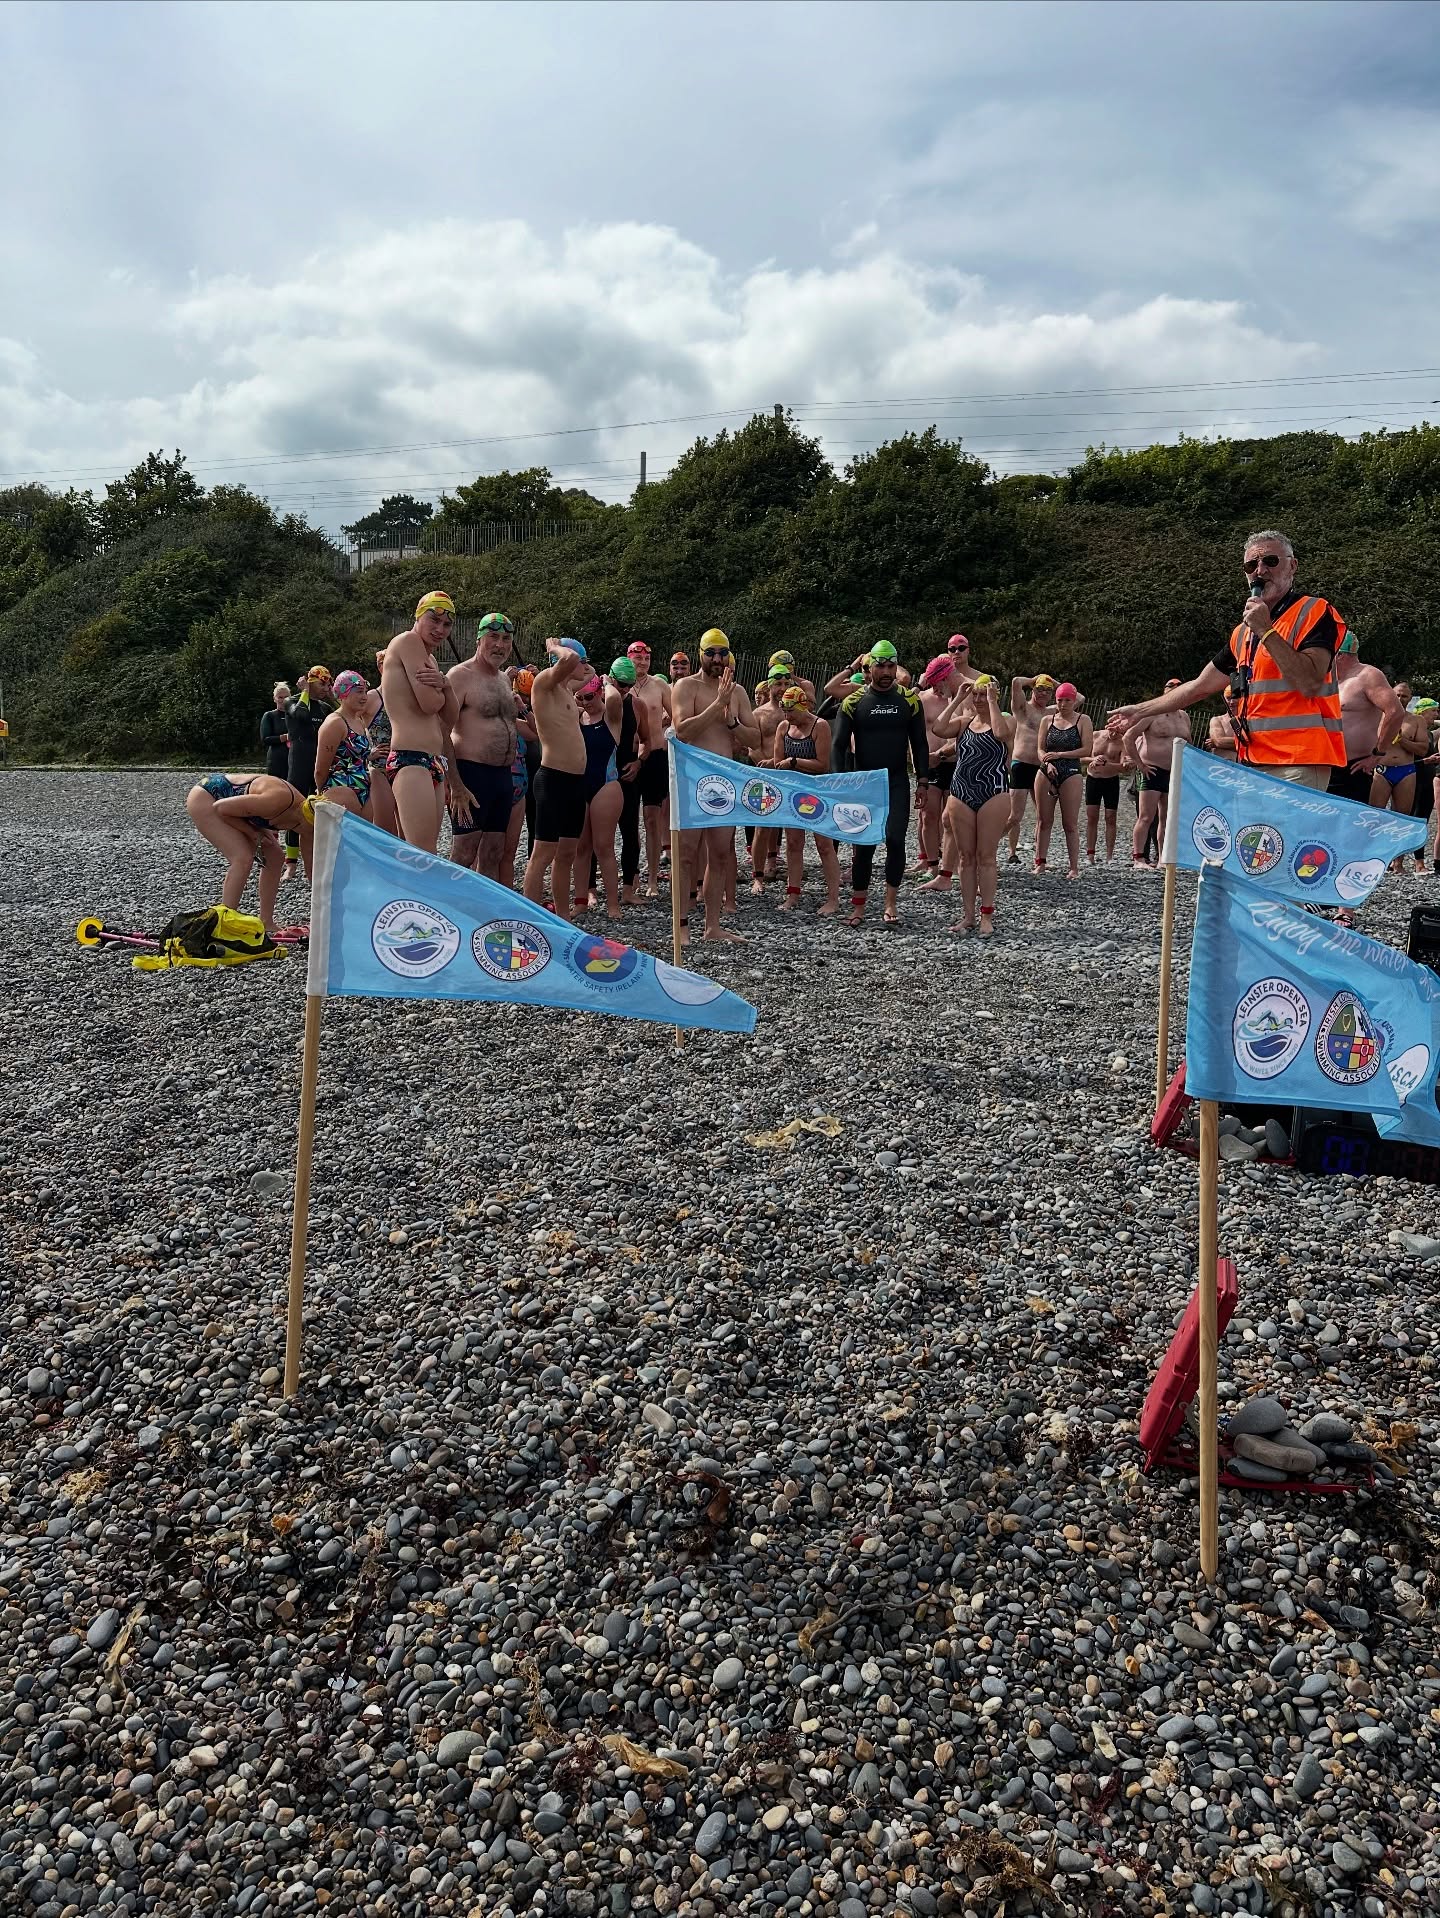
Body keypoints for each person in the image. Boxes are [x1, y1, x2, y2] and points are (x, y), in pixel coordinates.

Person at [1107, 530, 1348, 790]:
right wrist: (1140, 710)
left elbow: (1310, 682)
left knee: (1285, 833)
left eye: (1270, 561)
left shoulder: (1314, 611)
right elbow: (1199, 686)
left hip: (1299, 760)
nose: (1260, 570)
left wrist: (1266, 631)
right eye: (1251, 565)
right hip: (1253, 760)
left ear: (1292, 565)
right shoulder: (1243, 633)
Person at [832, 639, 929, 927]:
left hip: (897, 781)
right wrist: (840, 783)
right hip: (865, 785)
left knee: (896, 840)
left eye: (891, 665)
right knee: (864, 845)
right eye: (881, 666)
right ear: (870, 668)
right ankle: (859, 907)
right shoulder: (853, 702)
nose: (887, 671)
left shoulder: (909, 701)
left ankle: (890, 904)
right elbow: (838, 747)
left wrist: (922, 780)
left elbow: (920, 743)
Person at [672, 630, 761, 943]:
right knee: (686, 854)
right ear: (700, 654)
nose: (717, 659)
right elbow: (682, 730)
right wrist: (716, 707)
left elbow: (755, 740)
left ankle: (712, 927)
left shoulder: (737, 692)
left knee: (721, 854)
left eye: (723, 653)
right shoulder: (686, 686)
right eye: (711, 653)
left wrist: (733, 721)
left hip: (724, 783)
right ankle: (681, 926)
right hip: (692, 779)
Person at [380, 591, 468, 852]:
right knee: (422, 855)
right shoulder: (407, 642)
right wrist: (441, 690)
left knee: (427, 853)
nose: (440, 629)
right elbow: (430, 704)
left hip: (432, 761)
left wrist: (446, 685)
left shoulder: (428, 658)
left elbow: (450, 720)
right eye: (434, 619)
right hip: (410, 759)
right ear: (418, 616)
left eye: (447, 624)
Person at [929, 674, 1014, 935]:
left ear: (995, 695)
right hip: (962, 791)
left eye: (983, 694)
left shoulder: (1006, 719)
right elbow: (939, 729)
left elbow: (1000, 734)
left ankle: (986, 914)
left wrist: (991, 702)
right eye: (975, 695)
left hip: (993, 791)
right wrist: (957, 699)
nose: (978, 699)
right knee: (966, 857)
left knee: (985, 856)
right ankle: (968, 916)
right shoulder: (965, 723)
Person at [185, 773, 313, 933]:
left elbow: (311, 870)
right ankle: (225, 923)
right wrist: (254, 834)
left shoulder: (308, 825)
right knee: (242, 857)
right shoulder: (276, 802)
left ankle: (266, 921)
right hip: (209, 796)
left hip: (240, 808)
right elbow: (221, 808)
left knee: (275, 856)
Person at [447, 611, 519, 880]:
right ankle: (449, 913)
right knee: (464, 852)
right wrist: (455, 784)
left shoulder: (503, 679)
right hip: (471, 775)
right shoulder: (460, 676)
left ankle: (483, 917)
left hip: (502, 777)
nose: (500, 644)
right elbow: (442, 731)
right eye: (493, 637)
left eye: (505, 639)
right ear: (479, 640)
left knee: (493, 852)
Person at [523, 639, 591, 918]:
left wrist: (578, 663)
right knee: (542, 854)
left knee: (566, 855)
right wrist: (554, 647)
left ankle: (562, 918)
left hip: (576, 782)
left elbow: (586, 670)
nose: (584, 666)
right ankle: (530, 921)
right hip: (552, 779)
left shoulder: (565, 690)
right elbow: (571, 659)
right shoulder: (544, 684)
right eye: (581, 661)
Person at [771, 685, 841, 915]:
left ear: (804, 708)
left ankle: (833, 898)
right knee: (793, 844)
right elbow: (777, 761)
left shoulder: (819, 726)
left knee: (824, 845)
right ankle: (793, 893)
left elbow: (823, 765)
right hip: (792, 793)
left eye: (791, 711)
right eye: (784, 711)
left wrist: (794, 762)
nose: (787, 716)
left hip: (816, 791)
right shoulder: (784, 727)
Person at [572, 673, 625, 918]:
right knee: (580, 848)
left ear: (600, 692)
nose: (586, 702)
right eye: (581, 698)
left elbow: (615, 699)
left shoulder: (610, 717)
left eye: (590, 696)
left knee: (603, 847)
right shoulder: (578, 716)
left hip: (607, 785)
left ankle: (613, 904)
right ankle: (581, 900)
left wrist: (606, 683)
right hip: (580, 785)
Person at [1328, 634, 1404, 805]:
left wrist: (1378, 754)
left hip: (1354, 766)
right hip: (1324, 764)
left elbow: (1395, 711)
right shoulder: (1330, 678)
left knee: (1349, 825)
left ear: (1340, 654)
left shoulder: (1367, 675)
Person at [626, 641, 672, 896]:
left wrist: (668, 731)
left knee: (652, 820)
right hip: (629, 756)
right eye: (637, 658)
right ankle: (632, 877)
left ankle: (653, 878)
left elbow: (678, 716)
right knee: (629, 820)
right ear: (629, 658)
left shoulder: (659, 686)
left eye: (646, 659)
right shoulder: (620, 684)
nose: (641, 663)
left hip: (655, 757)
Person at [604, 657, 651, 906]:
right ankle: (590, 890)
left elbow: (647, 741)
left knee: (630, 831)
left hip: (627, 772)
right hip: (602, 774)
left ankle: (629, 889)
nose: (625, 689)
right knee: (595, 836)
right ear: (611, 678)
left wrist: (639, 762)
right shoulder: (597, 699)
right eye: (621, 684)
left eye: (629, 685)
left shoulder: (637, 705)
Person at [1126, 685, 1188, 872]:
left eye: (1179, 686)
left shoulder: (1183, 716)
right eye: (1170, 686)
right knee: (1146, 816)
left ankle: (1163, 857)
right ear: (1164, 691)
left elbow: (1189, 742)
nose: (1175, 689)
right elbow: (1128, 737)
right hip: (1151, 770)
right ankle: (1139, 857)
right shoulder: (1153, 713)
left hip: (1174, 771)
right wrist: (1140, 764)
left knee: (1167, 817)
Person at [1036, 682, 1093, 878]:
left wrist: (1059, 755)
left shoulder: (1083, 720)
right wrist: (1047, 762)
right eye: (1060, 700)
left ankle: (1074, 867)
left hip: (1070, 770)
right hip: (1047, 770)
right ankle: (1040, 861)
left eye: (1067, 700)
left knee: (1070, 823)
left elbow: (1087, 750)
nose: (1063, 704)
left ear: (1074, 700)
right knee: (1043, 820)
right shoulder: (1047, 720)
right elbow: (1040, 749)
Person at [283, 667, 335, 873]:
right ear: (309, 682)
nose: (325, 688)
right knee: (295, 809)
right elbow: (302, 716)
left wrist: (333, 697)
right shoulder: (293, 701)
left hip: (320, 760)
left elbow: (348, 716)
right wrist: (304, 691)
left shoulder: (323, 707)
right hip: (299, 759)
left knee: (322, 808)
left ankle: (319, 859)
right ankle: (291, 863)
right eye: (322, 684)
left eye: (328, 684)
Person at [1005, 674, 1057, 862]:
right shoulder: (1023, 709)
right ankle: (1008, 851)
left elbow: (1079, 698)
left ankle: (1038, 857)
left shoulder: (1052, 711)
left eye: (1047, 690)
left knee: (1043, 815)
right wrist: (1035, 679)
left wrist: (1053, 683)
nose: (1043, 693)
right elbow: (1016, 682)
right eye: (1039, 689)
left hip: (1041, 766)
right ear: (1033, 690)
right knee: (1014, 815)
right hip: (1021, 764)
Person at [916, 656, 960, 877]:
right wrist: (920, 684)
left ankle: (952, 864)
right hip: (930, 763)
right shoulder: (923, 698)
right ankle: (932, 864)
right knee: (928, 814)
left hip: (953, 762)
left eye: (938, 681)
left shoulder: (961, 698)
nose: (936, 686)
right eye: (932, 682)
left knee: (953, 817)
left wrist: (941, 754)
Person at [748, 666, 789, 892]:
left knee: (793, 828)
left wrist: (781, 763)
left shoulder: (793, 712)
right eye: (778, 684)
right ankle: (758, 877)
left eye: (786, 684)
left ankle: (793, 880)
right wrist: (770, 763)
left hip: (788, 774)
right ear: (769, 685)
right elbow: (751, 747)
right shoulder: (759, 714)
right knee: (762, 829)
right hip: (765, 775)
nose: (782, 689)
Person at [313, 671, 374, 818]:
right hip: (340, 788)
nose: (365, 697)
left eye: (365, 691)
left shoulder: (358, 721)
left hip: (363, 789)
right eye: (359, 692)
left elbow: (354, 758)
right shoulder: (335, 723)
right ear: (344, 693)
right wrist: (321, 792)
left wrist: (370, 756)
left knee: (362, 840)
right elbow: (321, 769)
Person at [1084, 719, 1124, 864]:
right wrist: (1093, 759)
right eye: (1112, 728)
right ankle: (1090, 854)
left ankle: (1109, 855)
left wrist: (1109, 763)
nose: (1114, 732)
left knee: (1110, 817)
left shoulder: (1123, 742)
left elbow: (1124, 766)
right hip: (1093, 779)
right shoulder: (1095, 735)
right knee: (1092, 816)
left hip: (1111, 780)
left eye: (1118, 729)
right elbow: (1081, 756)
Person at [261, 684, 290, 778]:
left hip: (295, 760)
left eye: (286, 697)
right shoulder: (269, 716)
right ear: (275, 699)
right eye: (280, 697)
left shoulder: (295, 715)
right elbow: (265, 739)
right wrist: (286, 737)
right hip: (276, 760)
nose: (283, 700)